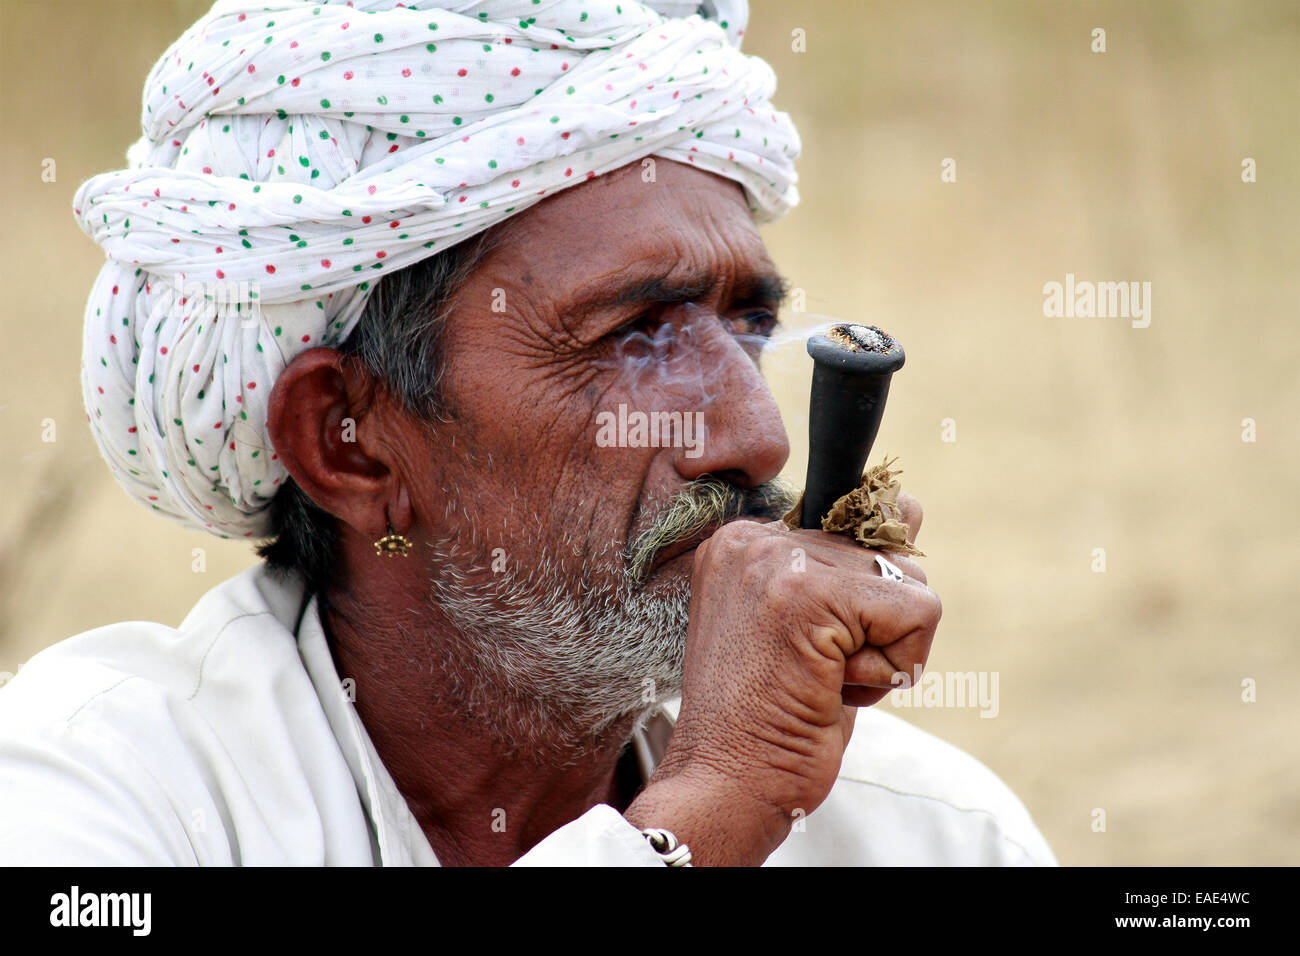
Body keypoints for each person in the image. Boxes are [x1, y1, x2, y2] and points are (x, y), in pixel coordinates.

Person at [0, 0, 1056, 866]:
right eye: (632, 333)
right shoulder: (98, 794)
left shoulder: (926, 833)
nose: (756, 433)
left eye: (749, 324)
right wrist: (710, 812)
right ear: (349, 442)